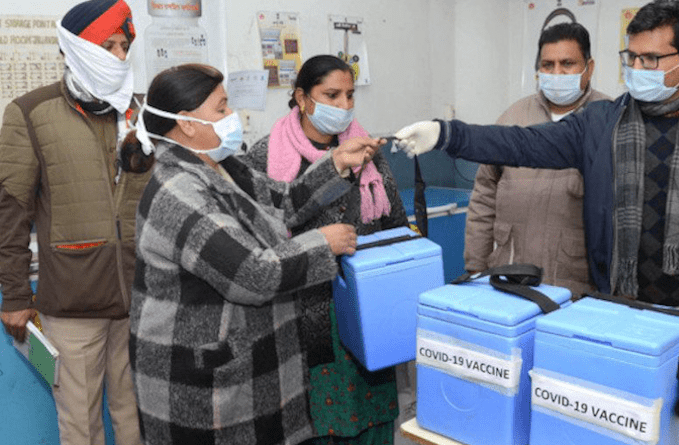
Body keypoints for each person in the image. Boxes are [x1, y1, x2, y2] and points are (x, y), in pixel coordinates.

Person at [395, 0, 679, 349]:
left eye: (651, 59)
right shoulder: (600, 123)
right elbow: (523, 144)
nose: (637, 68)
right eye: (631, 56)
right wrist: (446, 133)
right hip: (619, 307)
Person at [127, 63, 383, 444]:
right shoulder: (178, 192)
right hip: (203, 385)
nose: (233, 117)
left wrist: (336, 164)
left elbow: (284, 202)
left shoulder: (222, 166)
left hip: (247, 368)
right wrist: (321, 243)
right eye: (221, 108)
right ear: (187, 123)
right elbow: (251, 275)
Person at [241, 54, 408, 445]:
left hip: (368, 309)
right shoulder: (266, 157)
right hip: (301, 317)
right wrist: (319, 243)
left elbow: (395, 224)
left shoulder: (367, 151)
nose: (344, 106)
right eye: (331, 95)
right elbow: (257, 244)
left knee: (372, 418)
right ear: (301, 97)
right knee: (314, 423)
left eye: (350, 95)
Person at [0, 1, 145, 444]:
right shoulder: (30, 112)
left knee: (136, 415)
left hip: (140, 294)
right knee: (80, 424)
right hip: (74, 300)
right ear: (75, 49)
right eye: (108, 45)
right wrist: (15, 294)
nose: (119, 56)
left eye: (124, 46)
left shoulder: (140, 113)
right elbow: (10, 212)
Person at [464, 22, 610, 298]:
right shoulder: (512, 119)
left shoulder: (608, 122)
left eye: (567, 64)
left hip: (576, 290)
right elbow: (483, 198)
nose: (556, 73)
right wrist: (475, 267)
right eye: (547, 64)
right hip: (508, 281)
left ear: (589, 68)